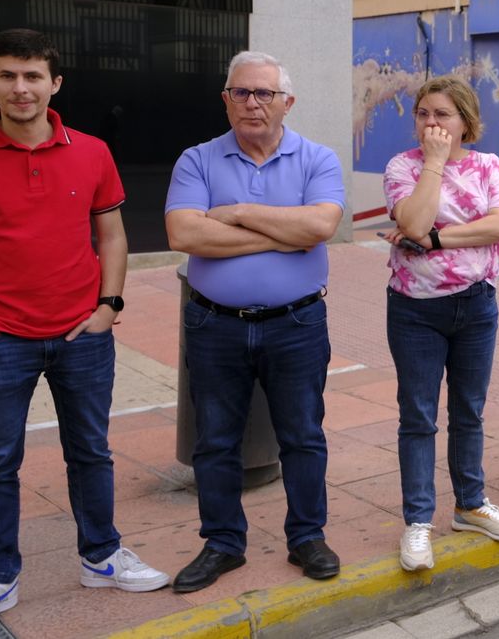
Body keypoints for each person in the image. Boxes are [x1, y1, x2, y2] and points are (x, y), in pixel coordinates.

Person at [0, 30, 169, 630]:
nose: (20, 88)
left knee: (91, 452)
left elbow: (112, 234)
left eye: (32, 76)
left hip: (83, 334)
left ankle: (101, 557)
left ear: (55, 83)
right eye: (8, 76)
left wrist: (109, 306)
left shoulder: (93, 151)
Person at [164, 51, 346, 592]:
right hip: (213, 326)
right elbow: (185, 236)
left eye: (264, 93)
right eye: (240, 93)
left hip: (296, 324)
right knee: (215, 439)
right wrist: (285, 234)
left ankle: (307, 537)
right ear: (225, 100)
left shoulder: (317, 158)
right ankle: (222, 543)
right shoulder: (196, 160)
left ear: (286, 102)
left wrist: (238, 211)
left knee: (303, 435)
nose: (252, 103)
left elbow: (322, 224)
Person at [381, 75, 499, 572]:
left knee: (470, 410)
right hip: (415, 308)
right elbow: (414, 222)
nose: (431, 124)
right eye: (423, 114)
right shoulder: (404, 166)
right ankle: (418, 521)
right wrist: (435, 166)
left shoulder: (489, 166)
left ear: (465, 121)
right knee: (418, 415)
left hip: (477, 304)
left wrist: (438, 241)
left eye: (442, 115)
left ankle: (470, 503)